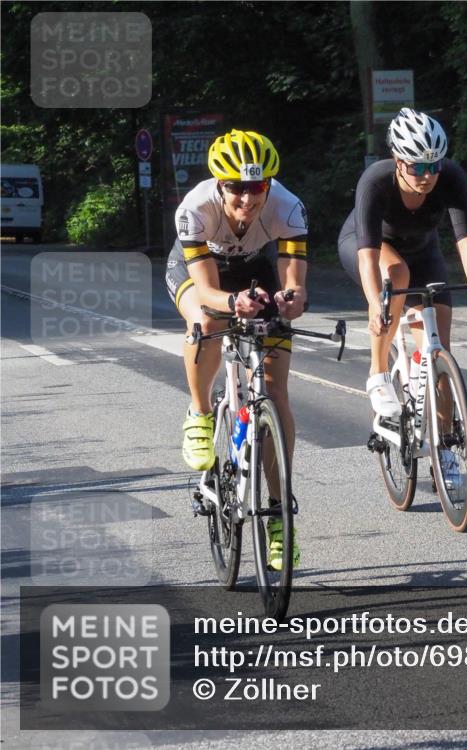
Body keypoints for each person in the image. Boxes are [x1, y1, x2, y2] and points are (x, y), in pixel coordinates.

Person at [165, 129, 307, 570]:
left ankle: (280, 516)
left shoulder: (288, 208)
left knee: (276, 392)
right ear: (219, 185)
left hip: (257, 267)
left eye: (257, 187)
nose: (248, 199)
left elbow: (296, 290)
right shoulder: (196, 208)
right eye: (237, 188)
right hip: (203, 273)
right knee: (207, 323)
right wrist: (233, 304)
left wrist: (288, 298)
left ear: (269, 185)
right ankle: (200, 414)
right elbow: (207, 289)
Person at [338, 108, 467, 479]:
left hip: (423, 252)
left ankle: (445, 448)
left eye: (433, 167)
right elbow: (367, 259)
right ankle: (378, 374)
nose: (426, 177)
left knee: (438, 353)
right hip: (371, 248)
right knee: (396, 273)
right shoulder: (376, 181)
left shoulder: (451, 177)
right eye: (416, 168)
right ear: (397, 161)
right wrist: (376, 303)